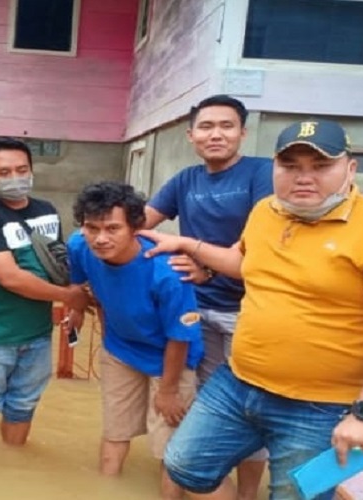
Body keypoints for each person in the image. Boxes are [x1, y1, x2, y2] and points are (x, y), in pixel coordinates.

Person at [142, 120, 363, 499]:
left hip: (321, 405)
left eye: (320, 166)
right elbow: (242, 262)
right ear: (274, 168)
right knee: (184, 464)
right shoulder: (266, 211)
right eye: (290, 166)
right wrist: (188, 245)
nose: (303, 177)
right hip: (238, 382)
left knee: (294, 496)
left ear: (350, 169)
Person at [144, 94, 272, 499]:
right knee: (211, 405)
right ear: (191, 135)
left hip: (249, 311)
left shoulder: (262, 174)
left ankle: (248, 492)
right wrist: (97, 238)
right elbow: (139, 224)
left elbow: (262, 243)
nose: (216, 134)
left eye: (226, 126)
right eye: (206, 126)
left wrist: (208, 265)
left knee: (254, 408)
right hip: (199, 310)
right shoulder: (185, 180)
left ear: (242, 133)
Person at [66, 181, 204, 499]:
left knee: (170, 445)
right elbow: (78, 283)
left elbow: (179, 338)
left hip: (169, 359)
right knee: (115, 430)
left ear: (136, 228)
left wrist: (168, 391)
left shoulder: (167, 272)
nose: (100, 238)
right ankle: (106, 490)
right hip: (119, 349)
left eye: (113, 228)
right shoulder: (79, 245)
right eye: (92, 227)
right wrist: (76, 305)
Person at [0, 137, 88, 456]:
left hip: (38, 333)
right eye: (4, 172)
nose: (15, 178)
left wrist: (77, 300)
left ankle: (13, 466)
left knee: (23, 405)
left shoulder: (46, 211)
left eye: (22, 169)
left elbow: (57, 262)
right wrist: (69, 297)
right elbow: (10, 277)